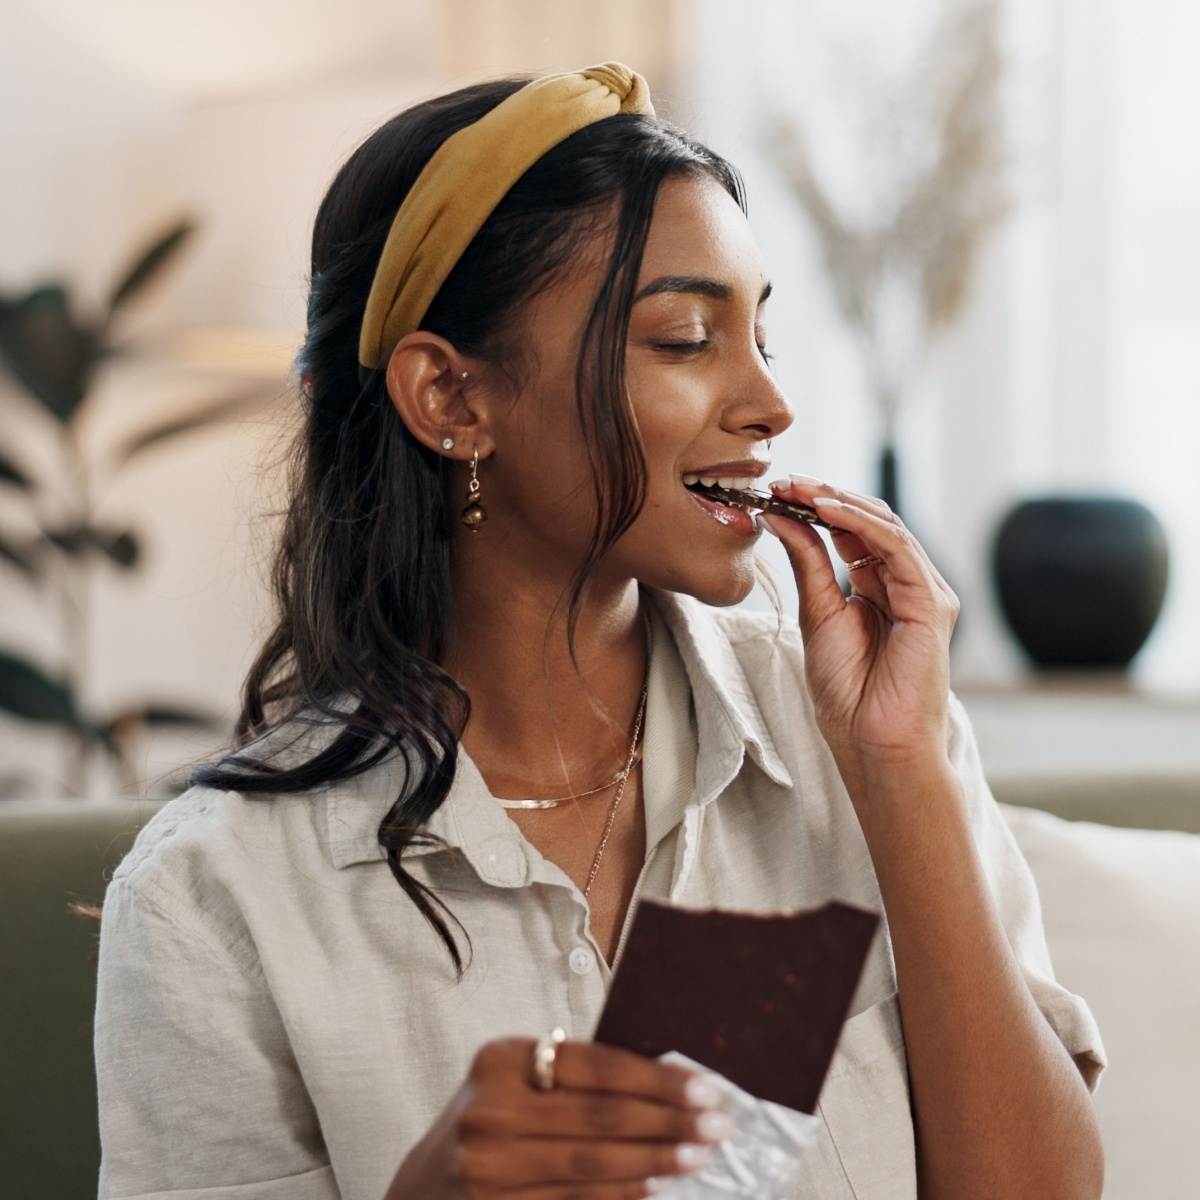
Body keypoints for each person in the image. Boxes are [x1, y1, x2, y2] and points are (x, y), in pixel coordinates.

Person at [94, 64, 1105, 1200]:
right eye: (684, 337)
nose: (769, 402)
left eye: (761, 335)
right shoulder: (214, 896)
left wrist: (899, 773)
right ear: (453, 401)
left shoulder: (863, 735)